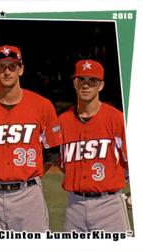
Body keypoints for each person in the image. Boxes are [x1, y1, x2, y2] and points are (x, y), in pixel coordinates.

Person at [0, 45, 62, 231]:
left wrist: (26, 175)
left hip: (29, 194)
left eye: (12, 67)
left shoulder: (42, 106)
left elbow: (52, 153)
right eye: (1, 67)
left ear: (21, 69)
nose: (6, 72)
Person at [58, 59, 131, 232]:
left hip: (110, 206)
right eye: (81, 80)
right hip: (74, 206)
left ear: (101, 85)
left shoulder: (117, 119)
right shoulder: (62, 121)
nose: (86, 85)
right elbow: (60, 162)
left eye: (92, 81)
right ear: (75, 83)